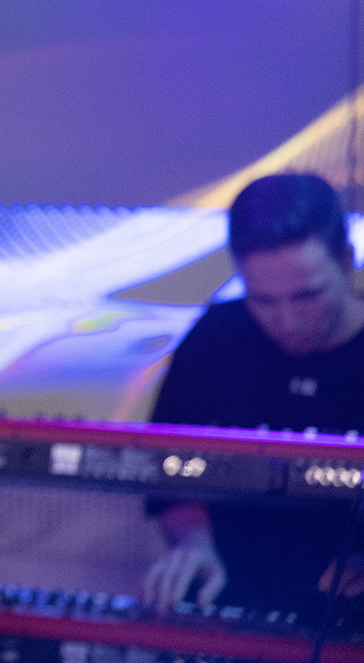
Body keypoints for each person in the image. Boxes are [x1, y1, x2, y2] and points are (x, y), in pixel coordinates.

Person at [145, 172, 364, 618]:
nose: (287, 320)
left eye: (307, 296)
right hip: (232, 606)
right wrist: (194, 541)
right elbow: (169, 472)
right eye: (263, 300)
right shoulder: (215, 338)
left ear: (346, 261)